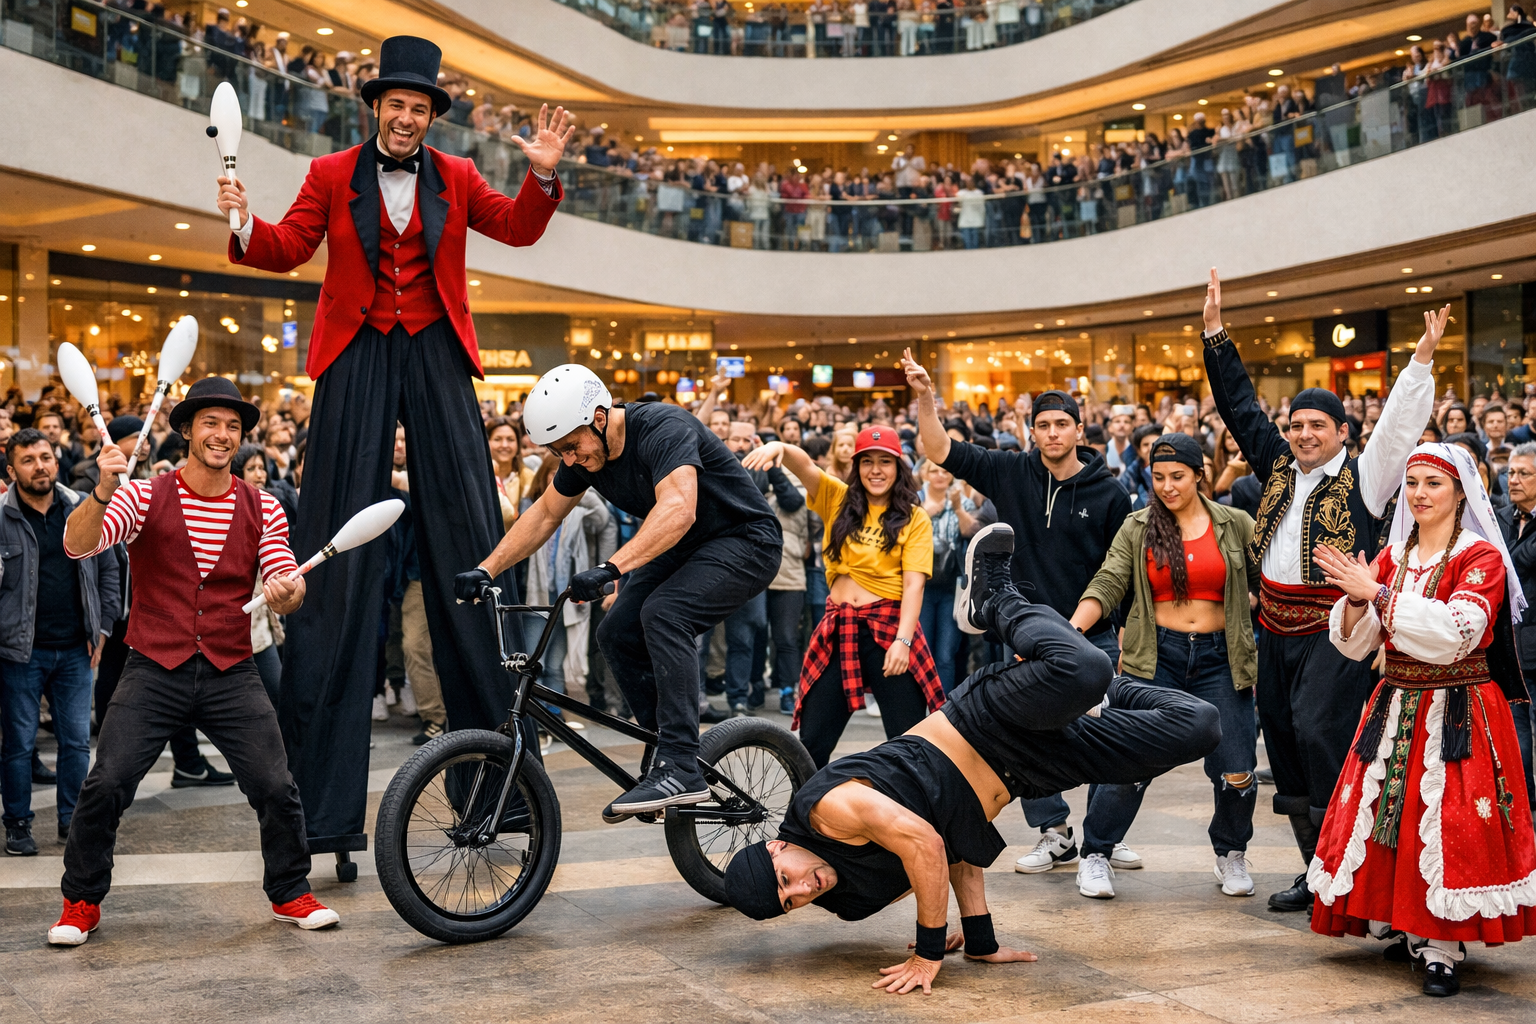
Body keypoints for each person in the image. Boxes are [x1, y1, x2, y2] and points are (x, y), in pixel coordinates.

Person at [216, 36, 571, 857]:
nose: (408, 117)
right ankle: (321, 812)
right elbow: (285, 247)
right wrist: (242, 219)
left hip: (439, 349)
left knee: (471, 544)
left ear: (430, 115)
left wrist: (544, 174)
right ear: (376, 107)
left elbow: (518, 229)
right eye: (397, 104)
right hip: (355, 352)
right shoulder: (331, 174)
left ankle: (496, 792)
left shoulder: (456, 176)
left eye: (421, 106)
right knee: (334, 555)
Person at [722, 527, 1222, 994]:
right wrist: (980, 940)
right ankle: (1103, 694)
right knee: (1199, 725)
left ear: (776, 847)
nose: (806, 889)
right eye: (794, 902)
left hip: (983, 724)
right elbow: (955, 845)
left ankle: (995, 599)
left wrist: (930, 950)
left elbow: (927, 846)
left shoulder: (826, 811)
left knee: (1084, 665)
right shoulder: (851, 902)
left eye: (788, 879)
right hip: (1030, 769)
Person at [50, 378, 335, 946]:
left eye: (233, 426)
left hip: (231, 666)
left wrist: (286, 590)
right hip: (154, 665)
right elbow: (78, 545)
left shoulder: (264, 504)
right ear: (186, 431)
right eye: (210, 423)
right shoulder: (144, 495)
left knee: (277, 785)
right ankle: (80, 901)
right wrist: (103, 492)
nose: (222, 435)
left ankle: (289, 892)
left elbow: (287, 580)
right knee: (106, 782)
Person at [1202, 267, 1444, 912]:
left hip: (1335, 632)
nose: (1304, 433)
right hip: (1273, 629)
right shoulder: (1277, 463)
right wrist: (1216, 336)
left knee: (1319, 733)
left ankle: (1348, 872)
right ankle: (1318, 875)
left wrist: (1418, 361)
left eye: (1319, 425)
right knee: (1281, 741)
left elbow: (1396, 426)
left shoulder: (1366, 478)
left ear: (1342, 433)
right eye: (1297, 424)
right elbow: (1240, 406)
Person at [456, 365, 781, 817]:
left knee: (665, 614)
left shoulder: (663, 428)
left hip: (745, 541)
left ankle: (680, 765)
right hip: (684, 547)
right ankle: (664, 752)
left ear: (600, 417)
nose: (568, 459)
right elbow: (546, 514)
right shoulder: (585, 453)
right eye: (557, 451)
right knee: (615, 632)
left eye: (571, 447)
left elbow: (679, 508)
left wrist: (612, 567)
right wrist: (486, 568)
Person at [1310, 443, 1536, 996]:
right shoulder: (1393, 557)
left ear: (1462, 491)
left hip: (1459, 708)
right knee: (1396, 815)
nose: (1419, 494)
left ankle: (1442, 942)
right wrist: (1360, 602)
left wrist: (1378, 594)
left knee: (1449, 821)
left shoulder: (1479, 557)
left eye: (1433, 483)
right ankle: (1402, 916)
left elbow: (1456, 633)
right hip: (1395, 703)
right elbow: (1354, 642)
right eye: (1412, 484)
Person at [900, 349, 1135, 870]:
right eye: (1043, 425)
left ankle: (1103, 838)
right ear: (1032, 431)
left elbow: (1120, 571)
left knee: (1107, 735)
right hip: (1027, 633)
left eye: (1061, 425)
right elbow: (938, 448)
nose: (1052, 433)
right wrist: (924, 397)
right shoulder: (1008, 471)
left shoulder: (1110, 492)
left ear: (1079, 431)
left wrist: (1119, 637)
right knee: (1027, 732)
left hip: (1092, 634)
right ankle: (1053, 832)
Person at [1068, 433, 1261, 899]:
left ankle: (1231, 853)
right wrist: (1072, 632)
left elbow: (1263, 584)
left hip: (1222, 659)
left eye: (1178, 476)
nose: (1168, 486)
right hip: (1155, 658)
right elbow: (1109, 581)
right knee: (1129, 761)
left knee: (1237, 767)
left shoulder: (1235, 523)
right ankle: (1096, 853)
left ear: (1200, 475)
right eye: (1159, 477)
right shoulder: (1138, 527)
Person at [744, 427, 940, 769]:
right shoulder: (837, 498)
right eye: (867, 462)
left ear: (898, 468)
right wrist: (779, 446)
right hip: (839, 628)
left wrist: (903, 642)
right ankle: (805, 818)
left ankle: (916, 816)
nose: (875, 470)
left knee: (908, 741)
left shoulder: (914, 517)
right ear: (856, 467)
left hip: (889, 630)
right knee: (812, 741)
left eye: (884, 462)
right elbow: (805, 466)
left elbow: (914, 585)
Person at [1, 430, 119, 857]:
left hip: (75, 648)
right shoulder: (2, 516)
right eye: (28, 460)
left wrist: (103, 628)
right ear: (12, 470)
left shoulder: (82, 508)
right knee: (18, 743)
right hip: (19, 652)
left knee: (75, 741)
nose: (40, 466)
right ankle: (17, 822)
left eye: (46, 457)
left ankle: (72, 818)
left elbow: (108, 570)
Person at [1496, 441, 1536, 801]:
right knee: (1516, 727)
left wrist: (1506, 556)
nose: (1514, 480)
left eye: (1525, 473)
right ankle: (1525, 802)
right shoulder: (1502, 517)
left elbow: (1514, 561)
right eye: (1511, 472)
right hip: (1512, 642)